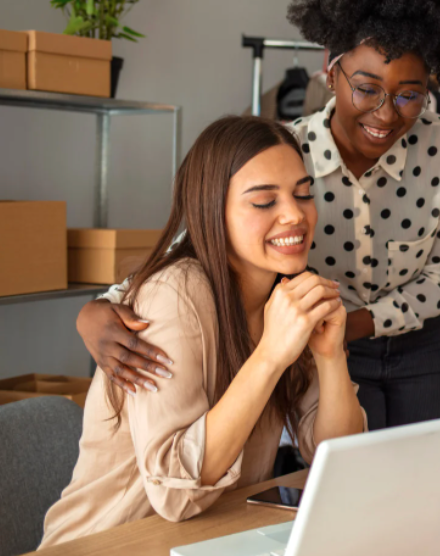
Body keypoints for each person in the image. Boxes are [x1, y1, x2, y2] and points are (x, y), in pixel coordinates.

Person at [75, 0, 440, 430]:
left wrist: (353, 323)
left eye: (409, 94)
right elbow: (206, 240)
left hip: (424, 344)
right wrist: (100, 309)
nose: (387, 113)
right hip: (322, 349)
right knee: (336, 485)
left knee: (433, 480)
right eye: (367, 88)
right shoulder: (288, 152)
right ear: (331, 70)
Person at [41, 117, 365, 547]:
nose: (295, 214)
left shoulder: (285, 295)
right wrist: (269, 355)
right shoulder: (176, 295)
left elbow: (335, 459)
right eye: (264, 202)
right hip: (108, 544)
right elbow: (174, 493)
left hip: (215, 539)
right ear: (213, 211)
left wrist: (330, 356)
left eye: (303, 194)